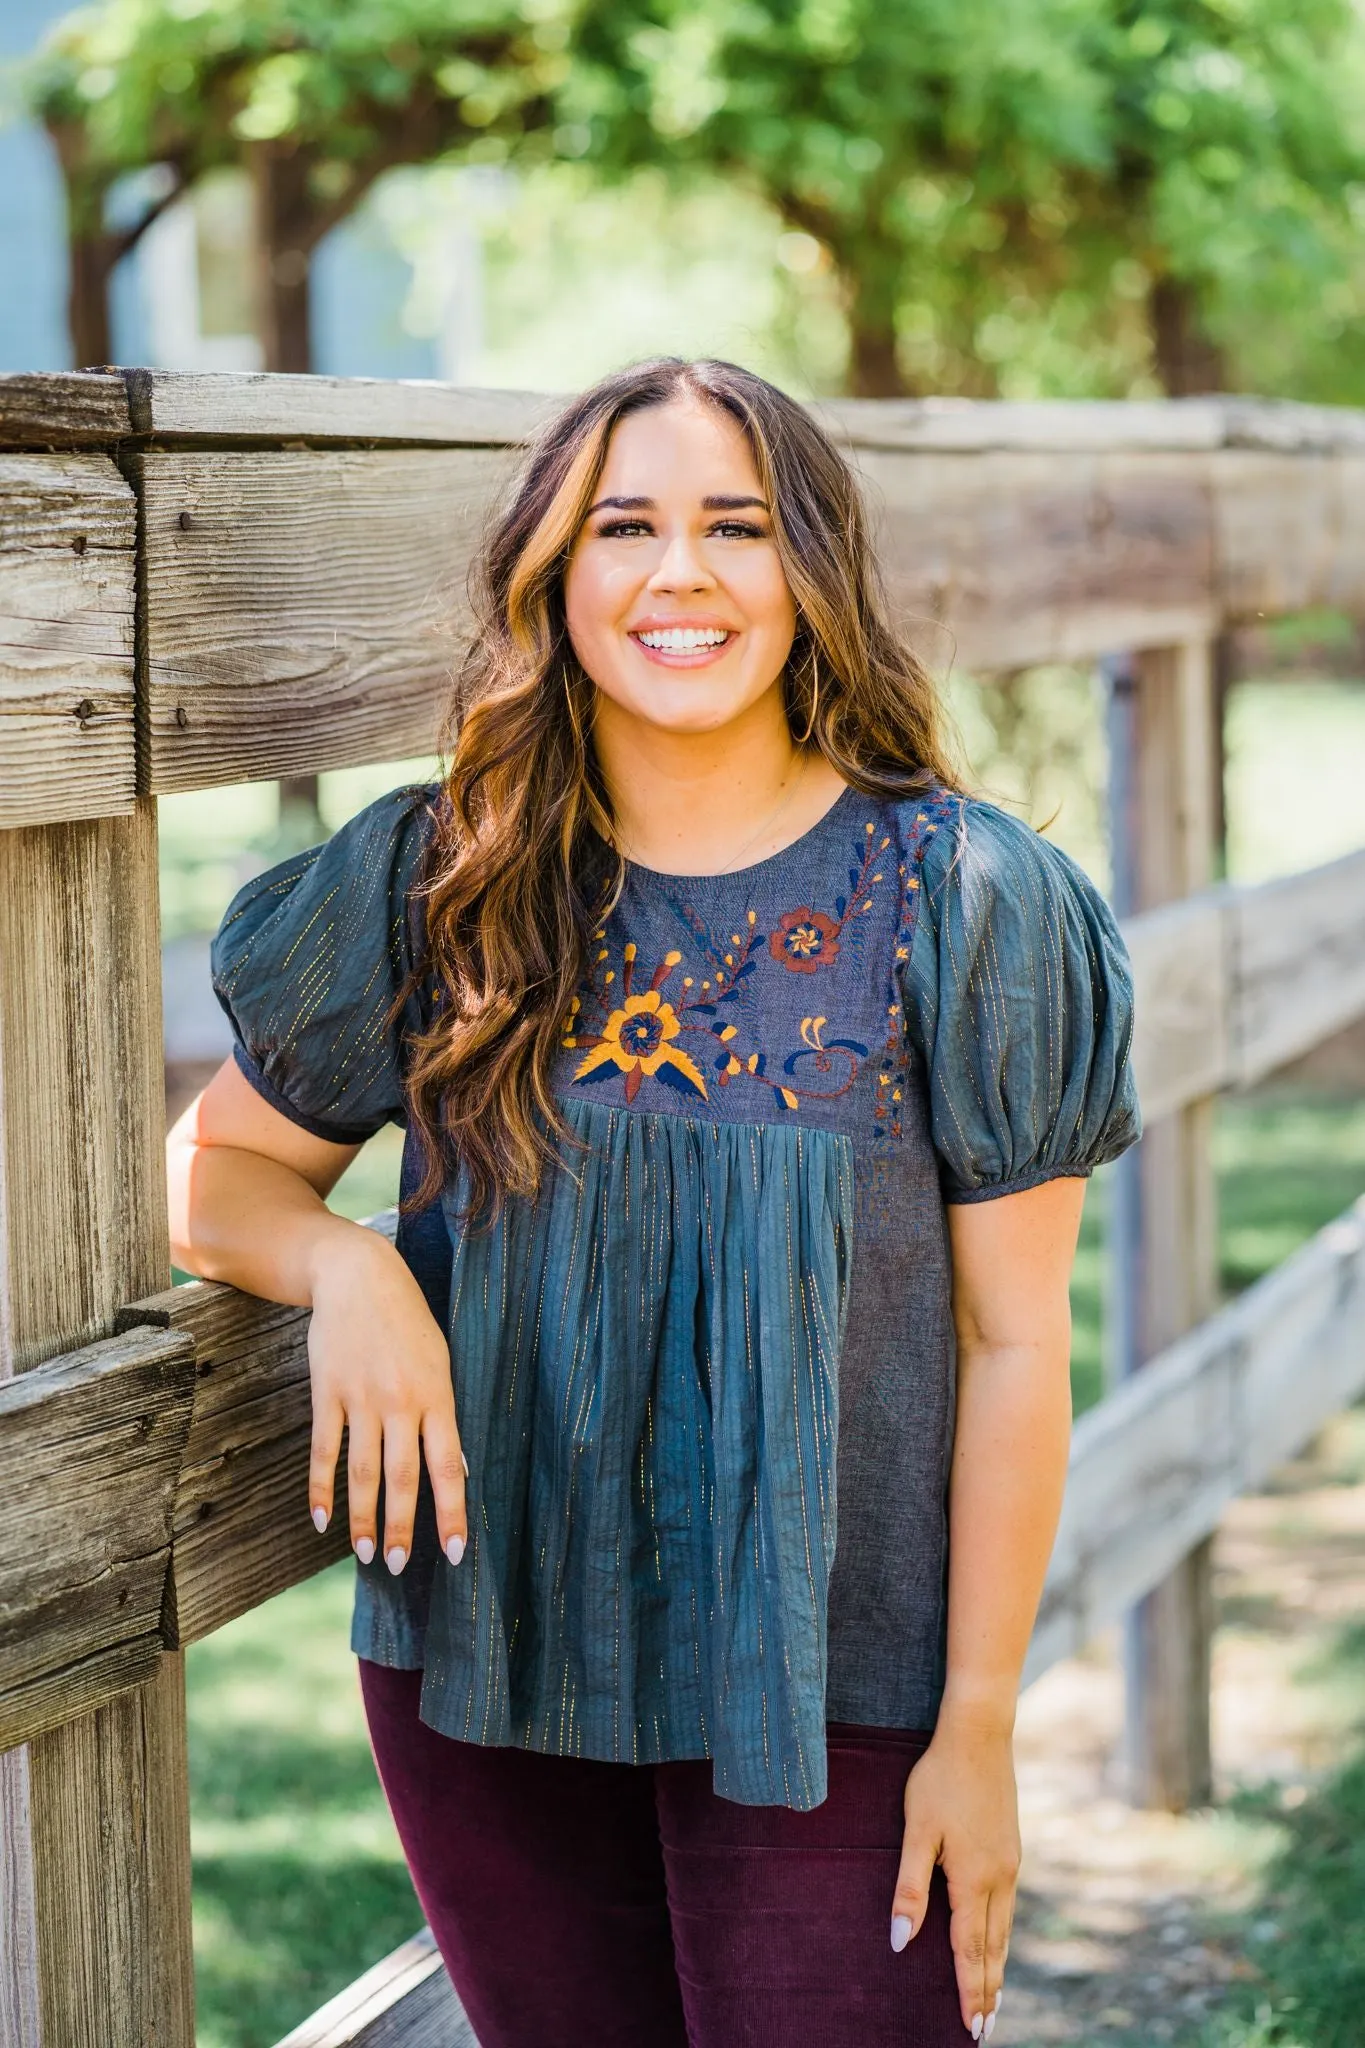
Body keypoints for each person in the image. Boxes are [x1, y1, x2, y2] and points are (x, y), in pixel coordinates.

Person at [168, 357, 1141, 2048]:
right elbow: (216, 1172)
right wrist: (347, 1266)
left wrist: (976, 1726)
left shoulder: (970, 903)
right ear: (555, 575)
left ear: (811, 575)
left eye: (737, 528)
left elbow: (1012, 1344)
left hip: (849, 1690)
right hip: (492, 1670)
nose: (677, 573)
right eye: (625, 524)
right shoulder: (440, 879)